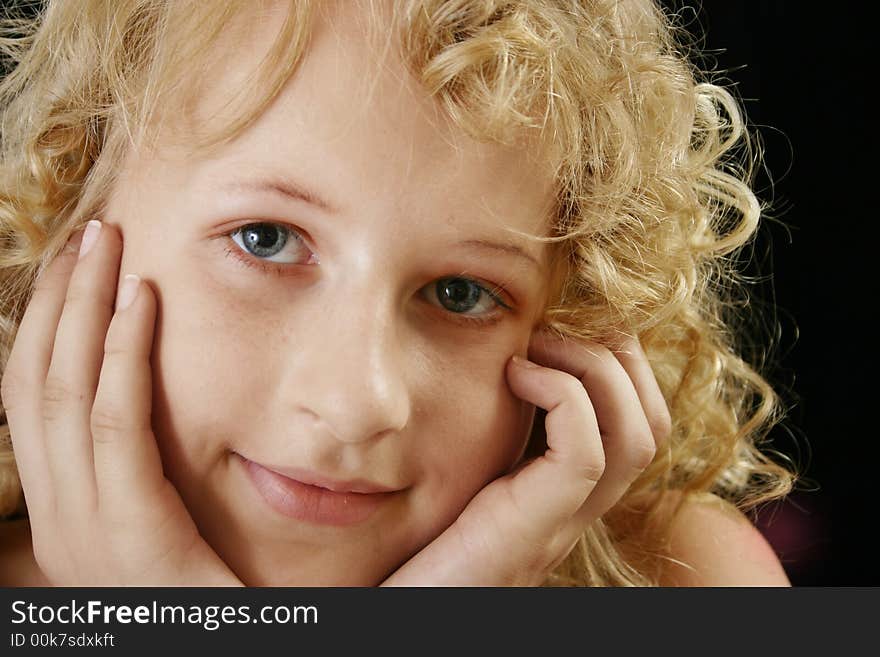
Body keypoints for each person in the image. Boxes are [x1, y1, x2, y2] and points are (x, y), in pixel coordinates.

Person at [0, 0, 796, 586]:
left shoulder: (693, 580)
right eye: (266, 239)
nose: (358, 402)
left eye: (459, 291)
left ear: (576, 319)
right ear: (72, 202)